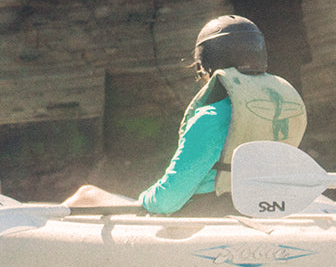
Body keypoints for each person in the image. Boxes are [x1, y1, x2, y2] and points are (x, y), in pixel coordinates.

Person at [61, 15, 307, 215]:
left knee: (86, 195)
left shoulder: (210, 117)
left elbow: (167, 201)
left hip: (205, 216)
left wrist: (142, 201)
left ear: (204, 67)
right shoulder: (281, 113)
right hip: (258, 212)